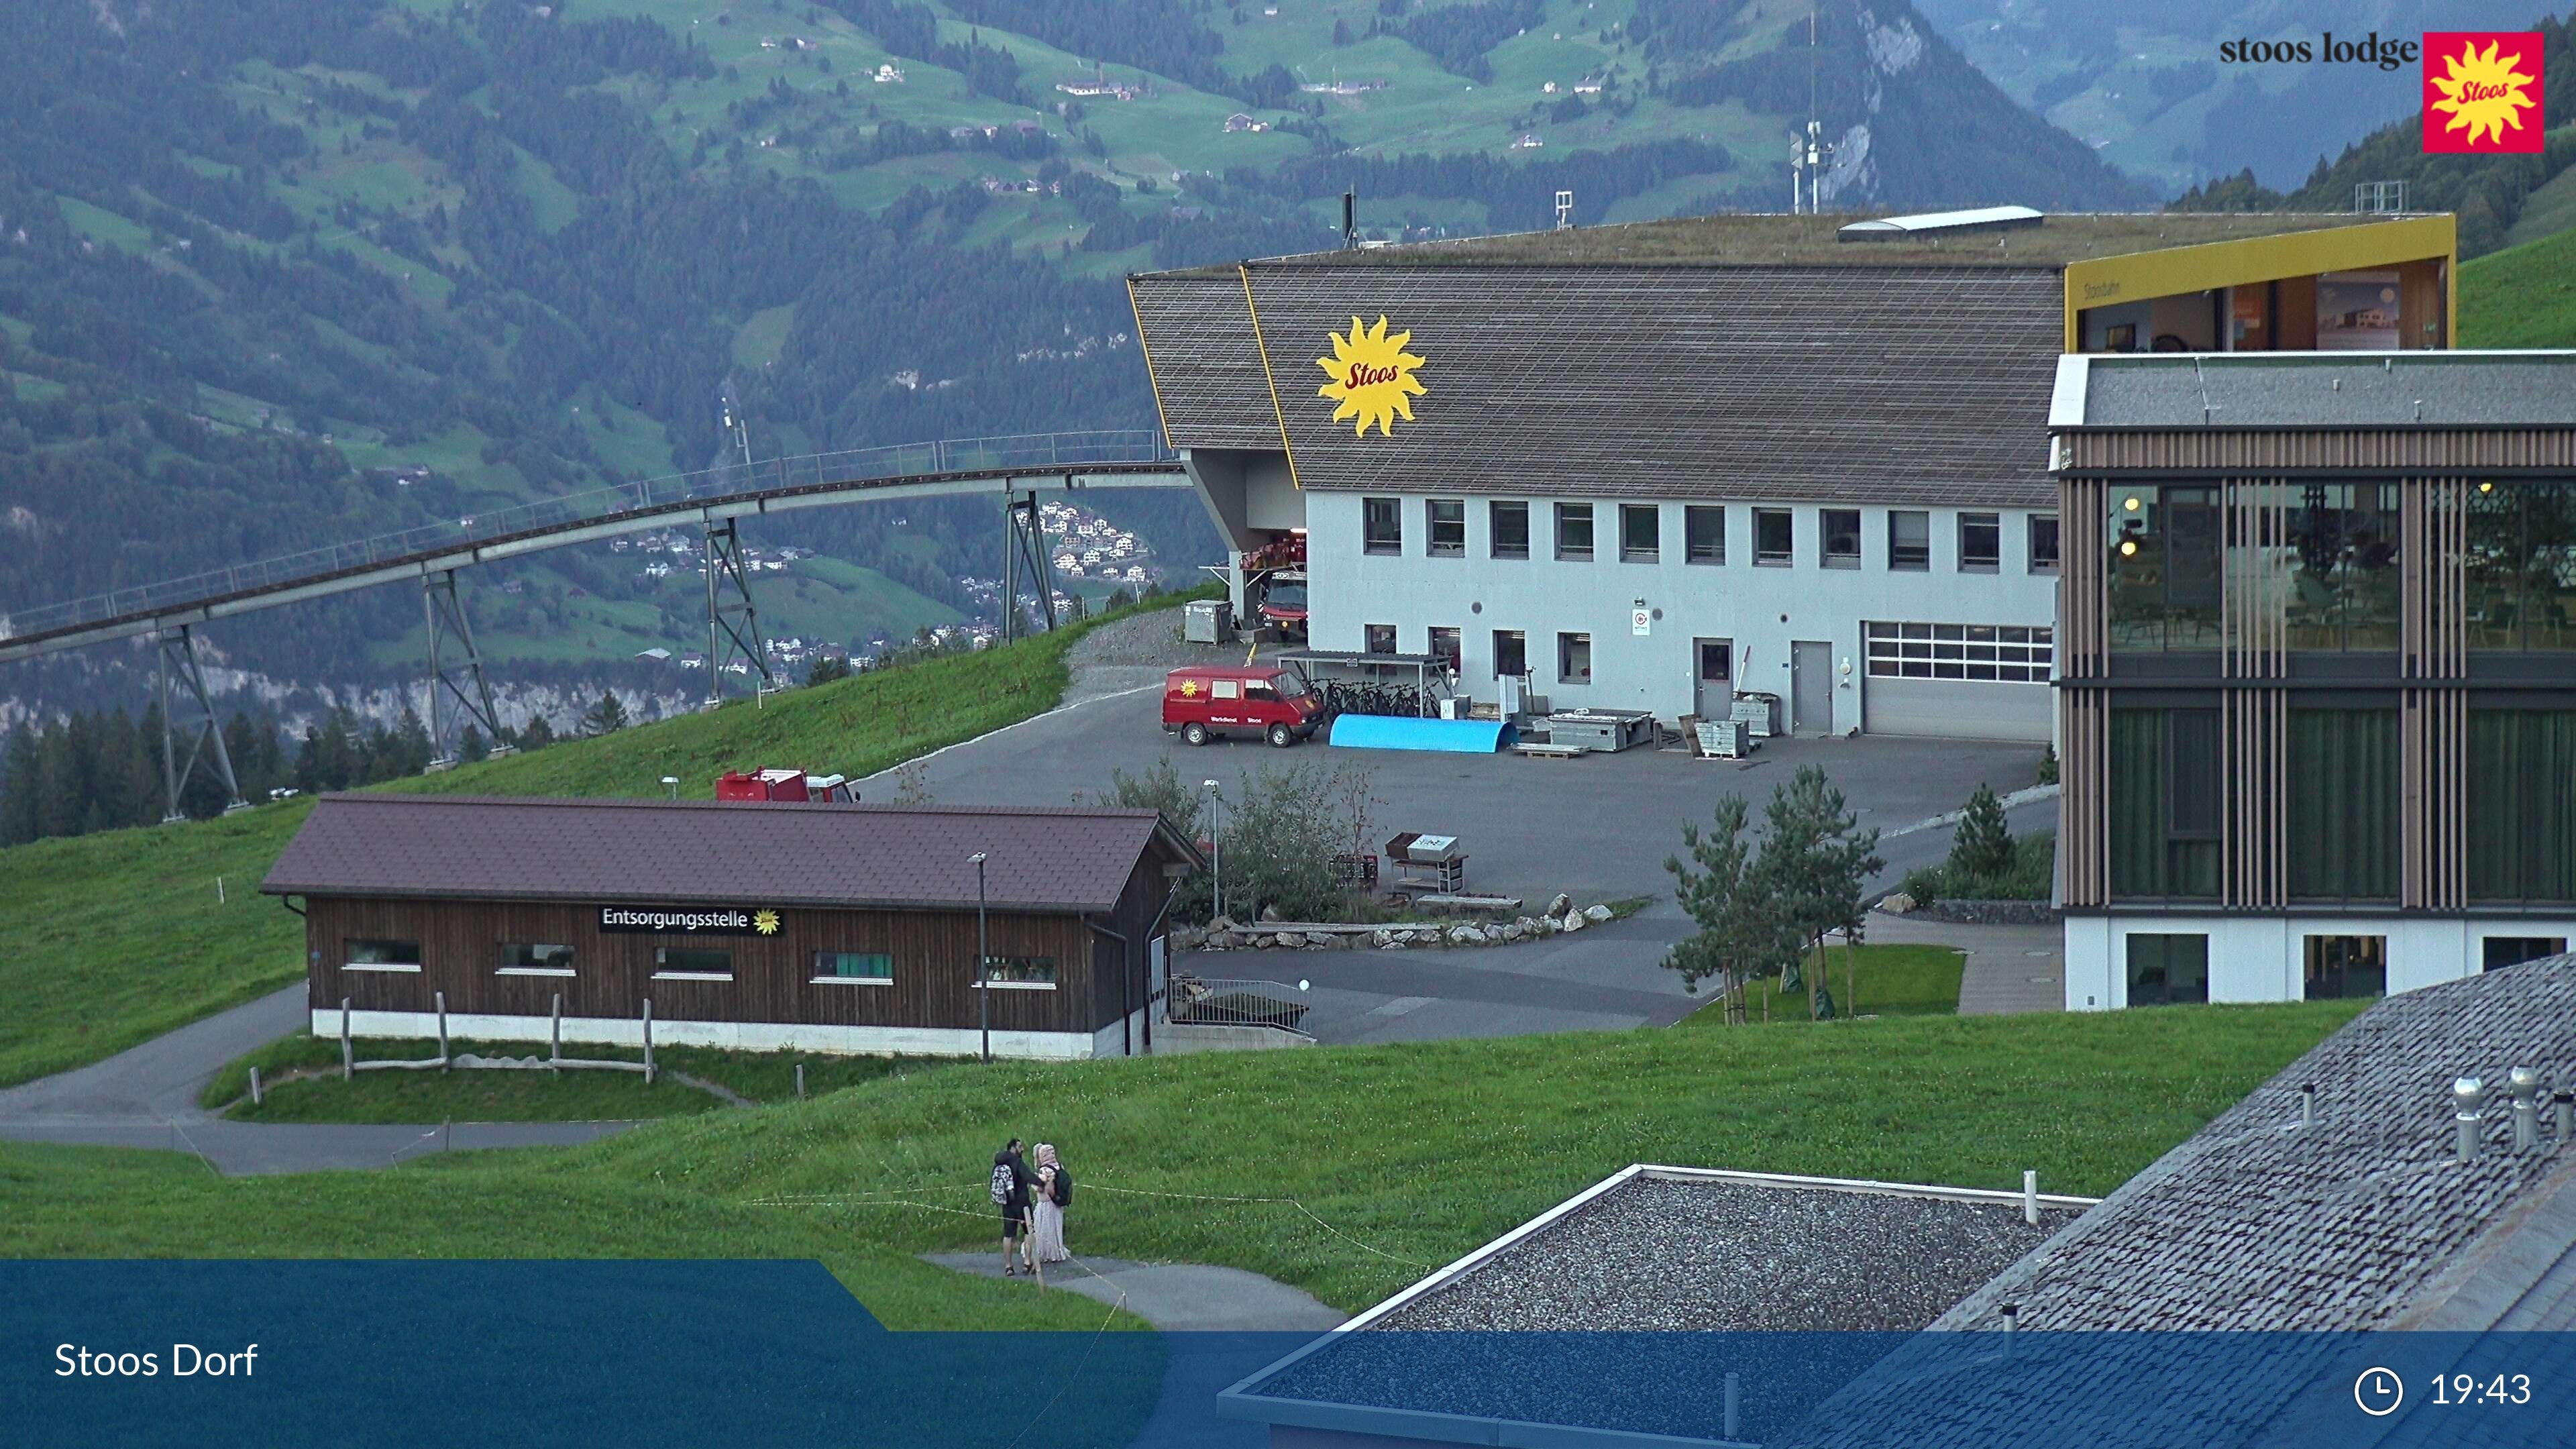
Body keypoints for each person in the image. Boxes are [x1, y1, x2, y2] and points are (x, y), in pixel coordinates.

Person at [991, 1139, 1033, 1277]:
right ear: (1014, 1148)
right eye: (1020, 1146)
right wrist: (1042, 1183)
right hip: (1022, 1202)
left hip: (1007, 1204)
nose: (1022, 1149)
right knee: (1028, 1231)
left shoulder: (1000, 1163)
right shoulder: (1018, 1162)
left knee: (1008, 1235)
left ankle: (1008, 1266)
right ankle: (1027, 1262)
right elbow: (1028, 1176)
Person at [1029, 1142, 1071, 1267]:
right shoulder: (1058, 1166)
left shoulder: (1044, 1170)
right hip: (1057, 1203)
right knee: (1055, 1228)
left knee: (1044, 1228)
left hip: (1046, 1203)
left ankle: (1046, 1253)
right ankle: (1057, 1250)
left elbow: (1040, 1188)